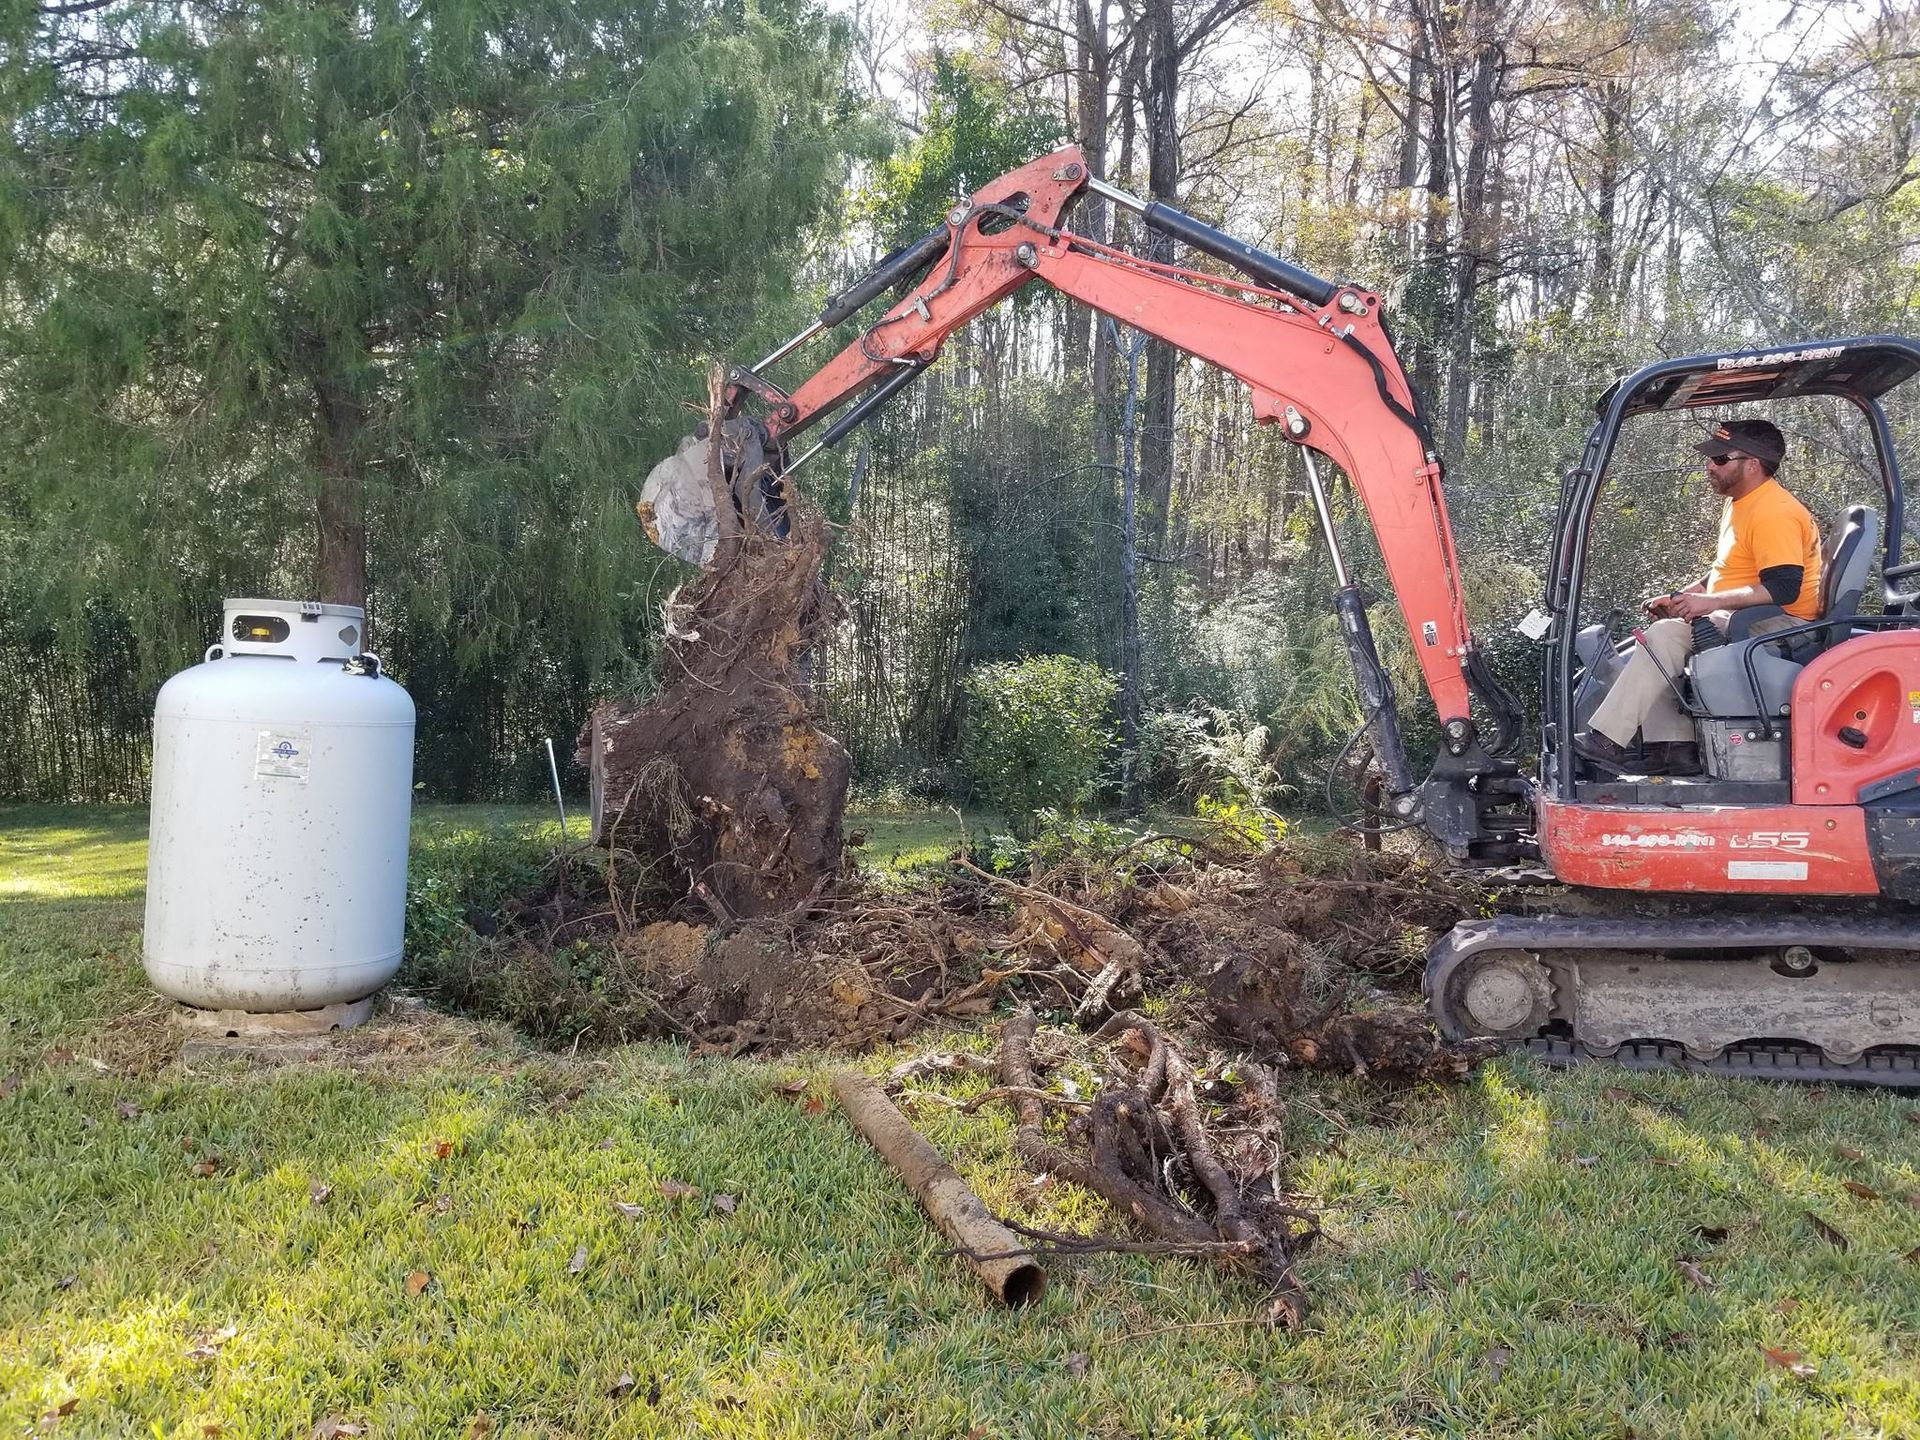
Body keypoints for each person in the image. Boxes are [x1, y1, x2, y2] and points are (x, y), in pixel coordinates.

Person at [1574, 418, 1822, 775]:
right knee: (1661, 634)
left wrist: (1712, 604)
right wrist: (1688, 595)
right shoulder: (1743, 502)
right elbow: (1730, 568)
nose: (1709, 465)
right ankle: (1673, 750)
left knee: (1666, 635)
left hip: (1784, 622)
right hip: (1751, 613)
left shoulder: (1775, 512)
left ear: (1752, 464)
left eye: (1720, 459)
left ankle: (1608, 740)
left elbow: (1784, 588)